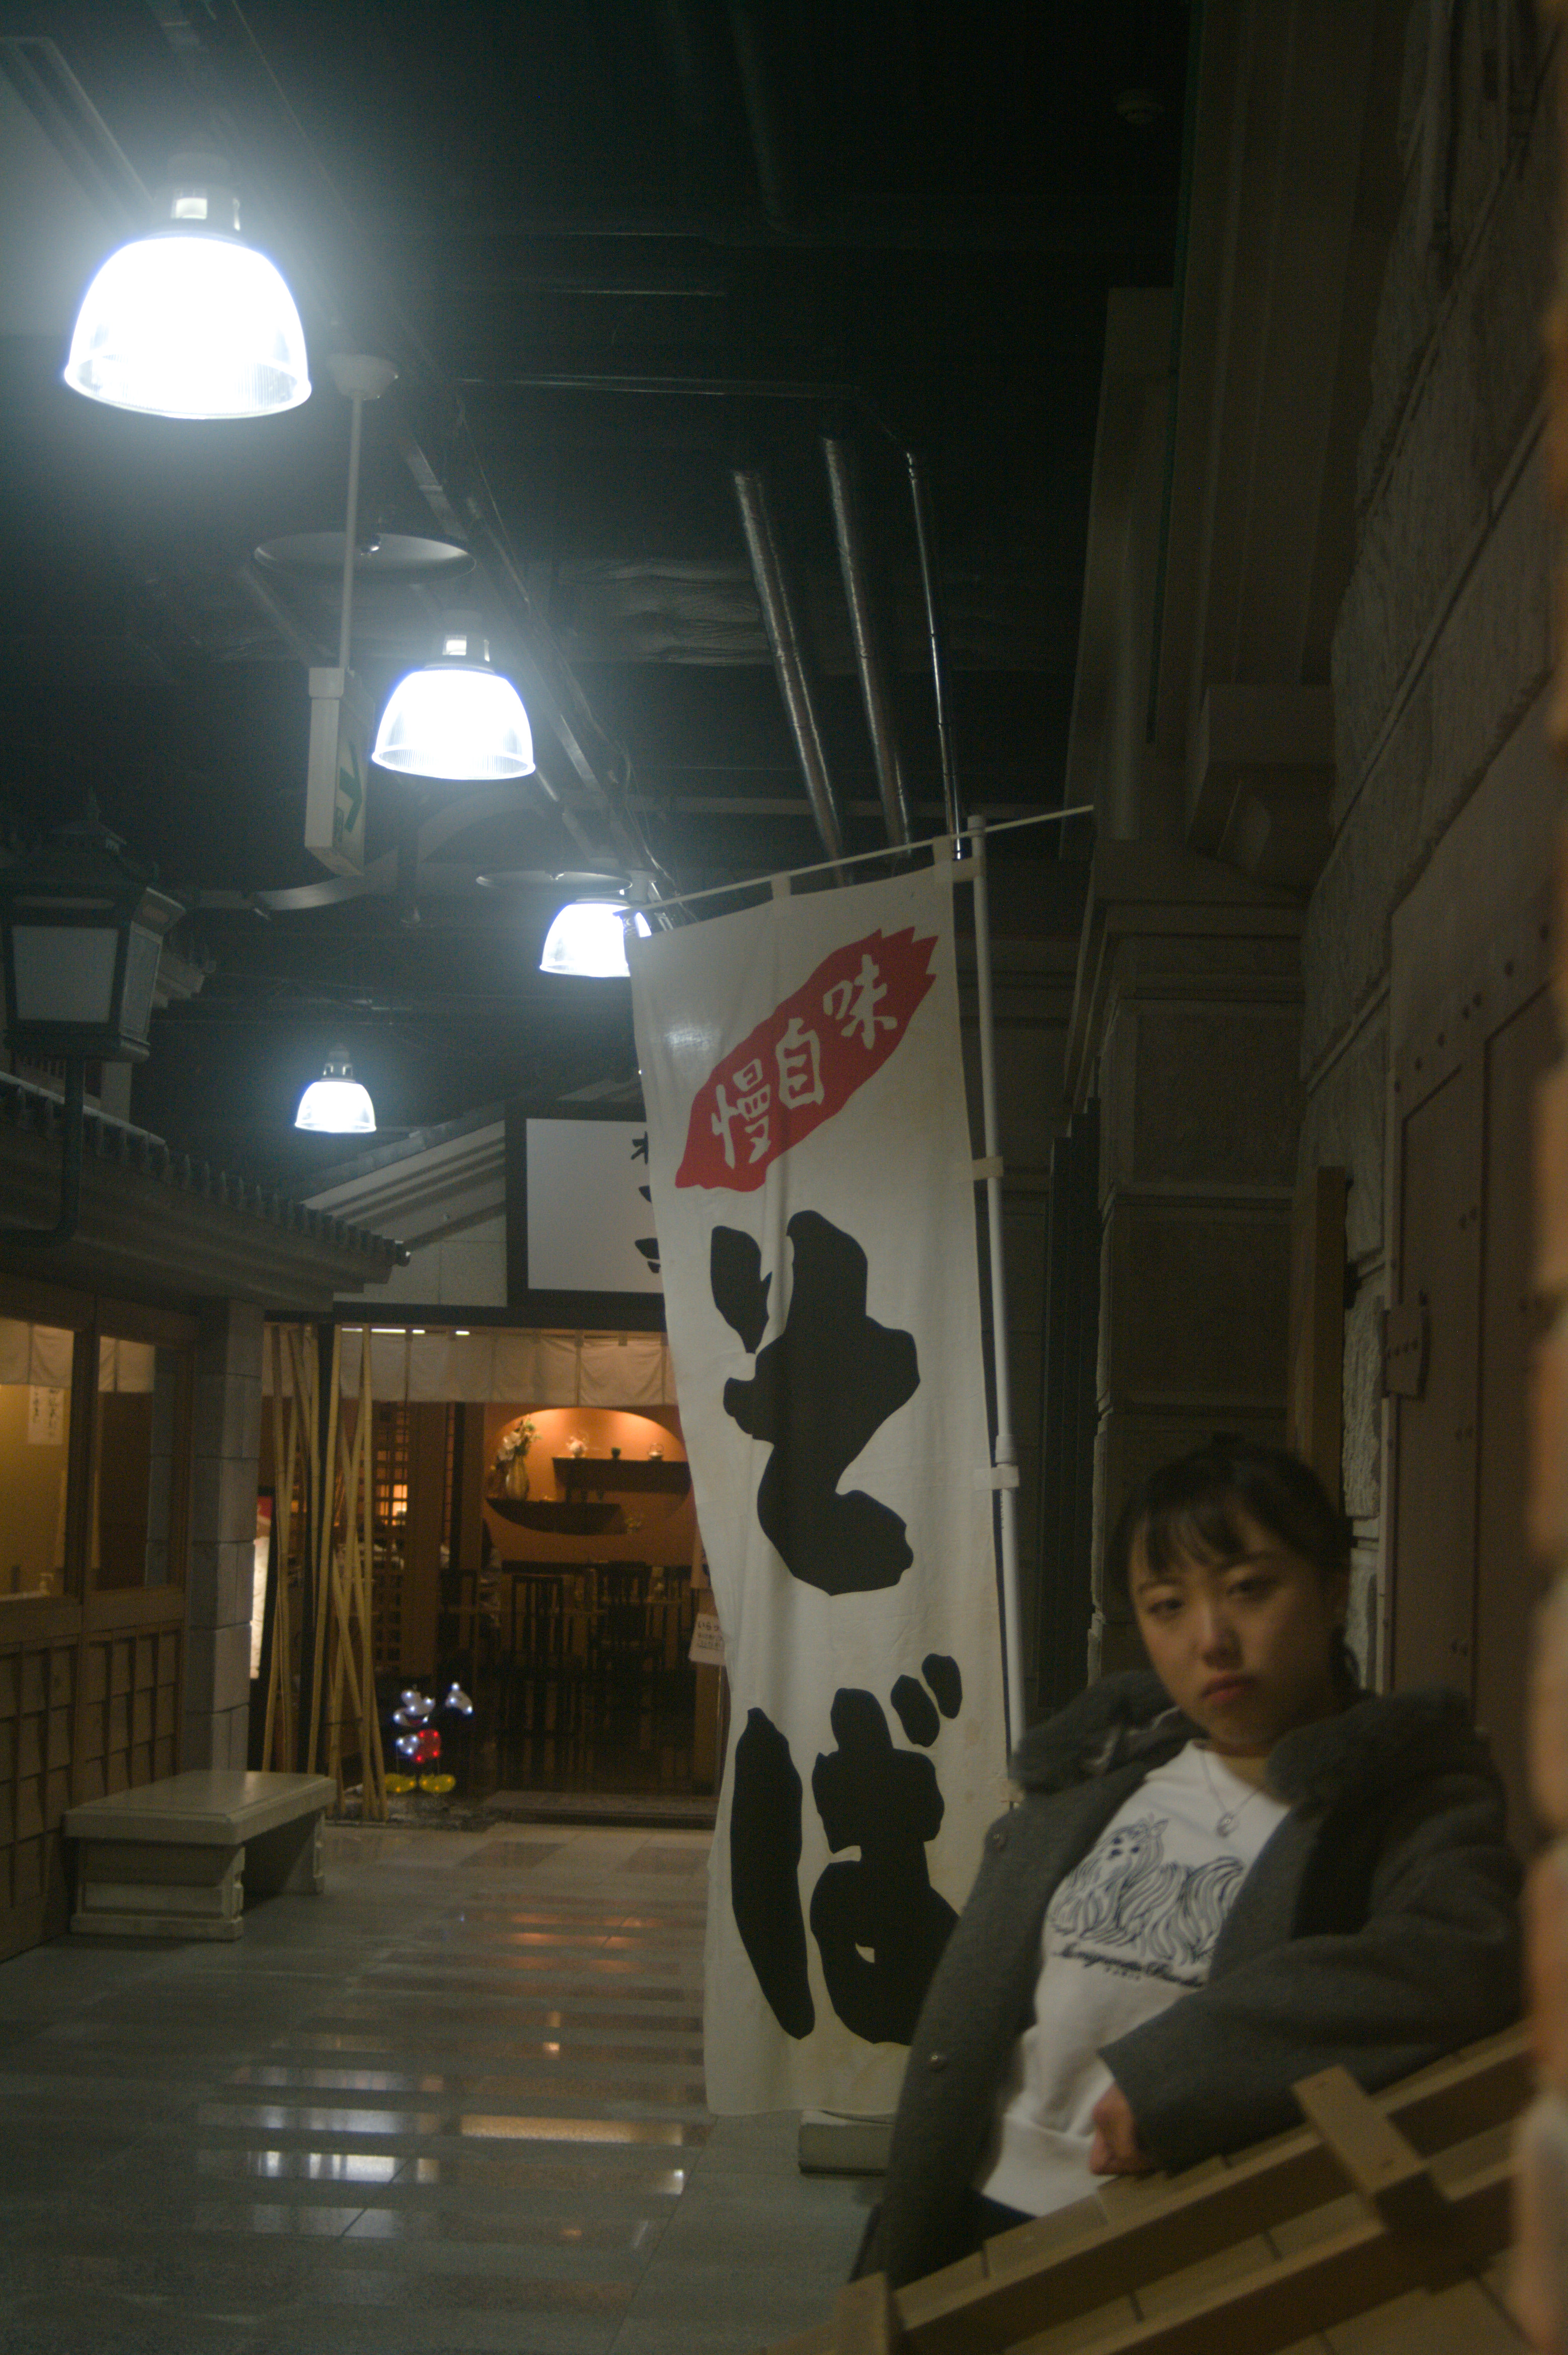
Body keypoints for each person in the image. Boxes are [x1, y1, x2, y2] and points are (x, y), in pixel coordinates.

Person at [857, 1438, 1522, 2290]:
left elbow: (1462, 1951)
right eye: (1167, 1606)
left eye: (1250, 1589)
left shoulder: (1401, 1789)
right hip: (966, 2209)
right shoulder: (1101, 1775)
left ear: (1332, 1590)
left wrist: (1185, 2074)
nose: (1212, 1639)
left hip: (1166, 2242)